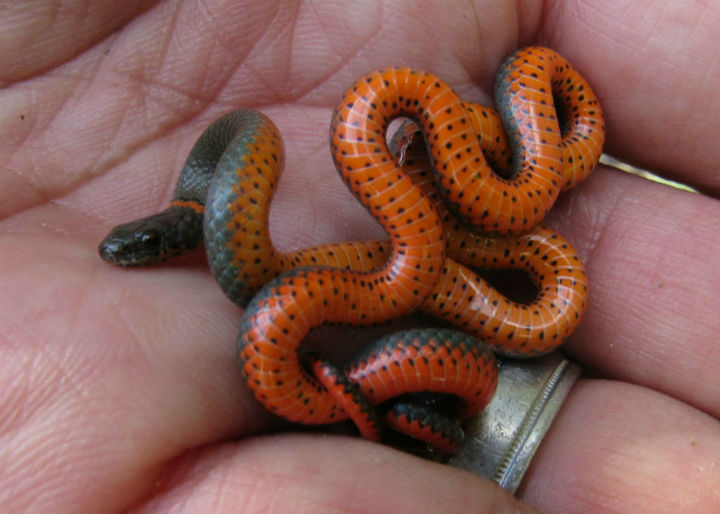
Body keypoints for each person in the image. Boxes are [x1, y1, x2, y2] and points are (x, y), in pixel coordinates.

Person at [1, 1, 718, 511]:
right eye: (148, 248)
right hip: (416, 275)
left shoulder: (255, 144)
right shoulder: (257, 255)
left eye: (150, 245)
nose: (145, 254)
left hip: (471, 216)